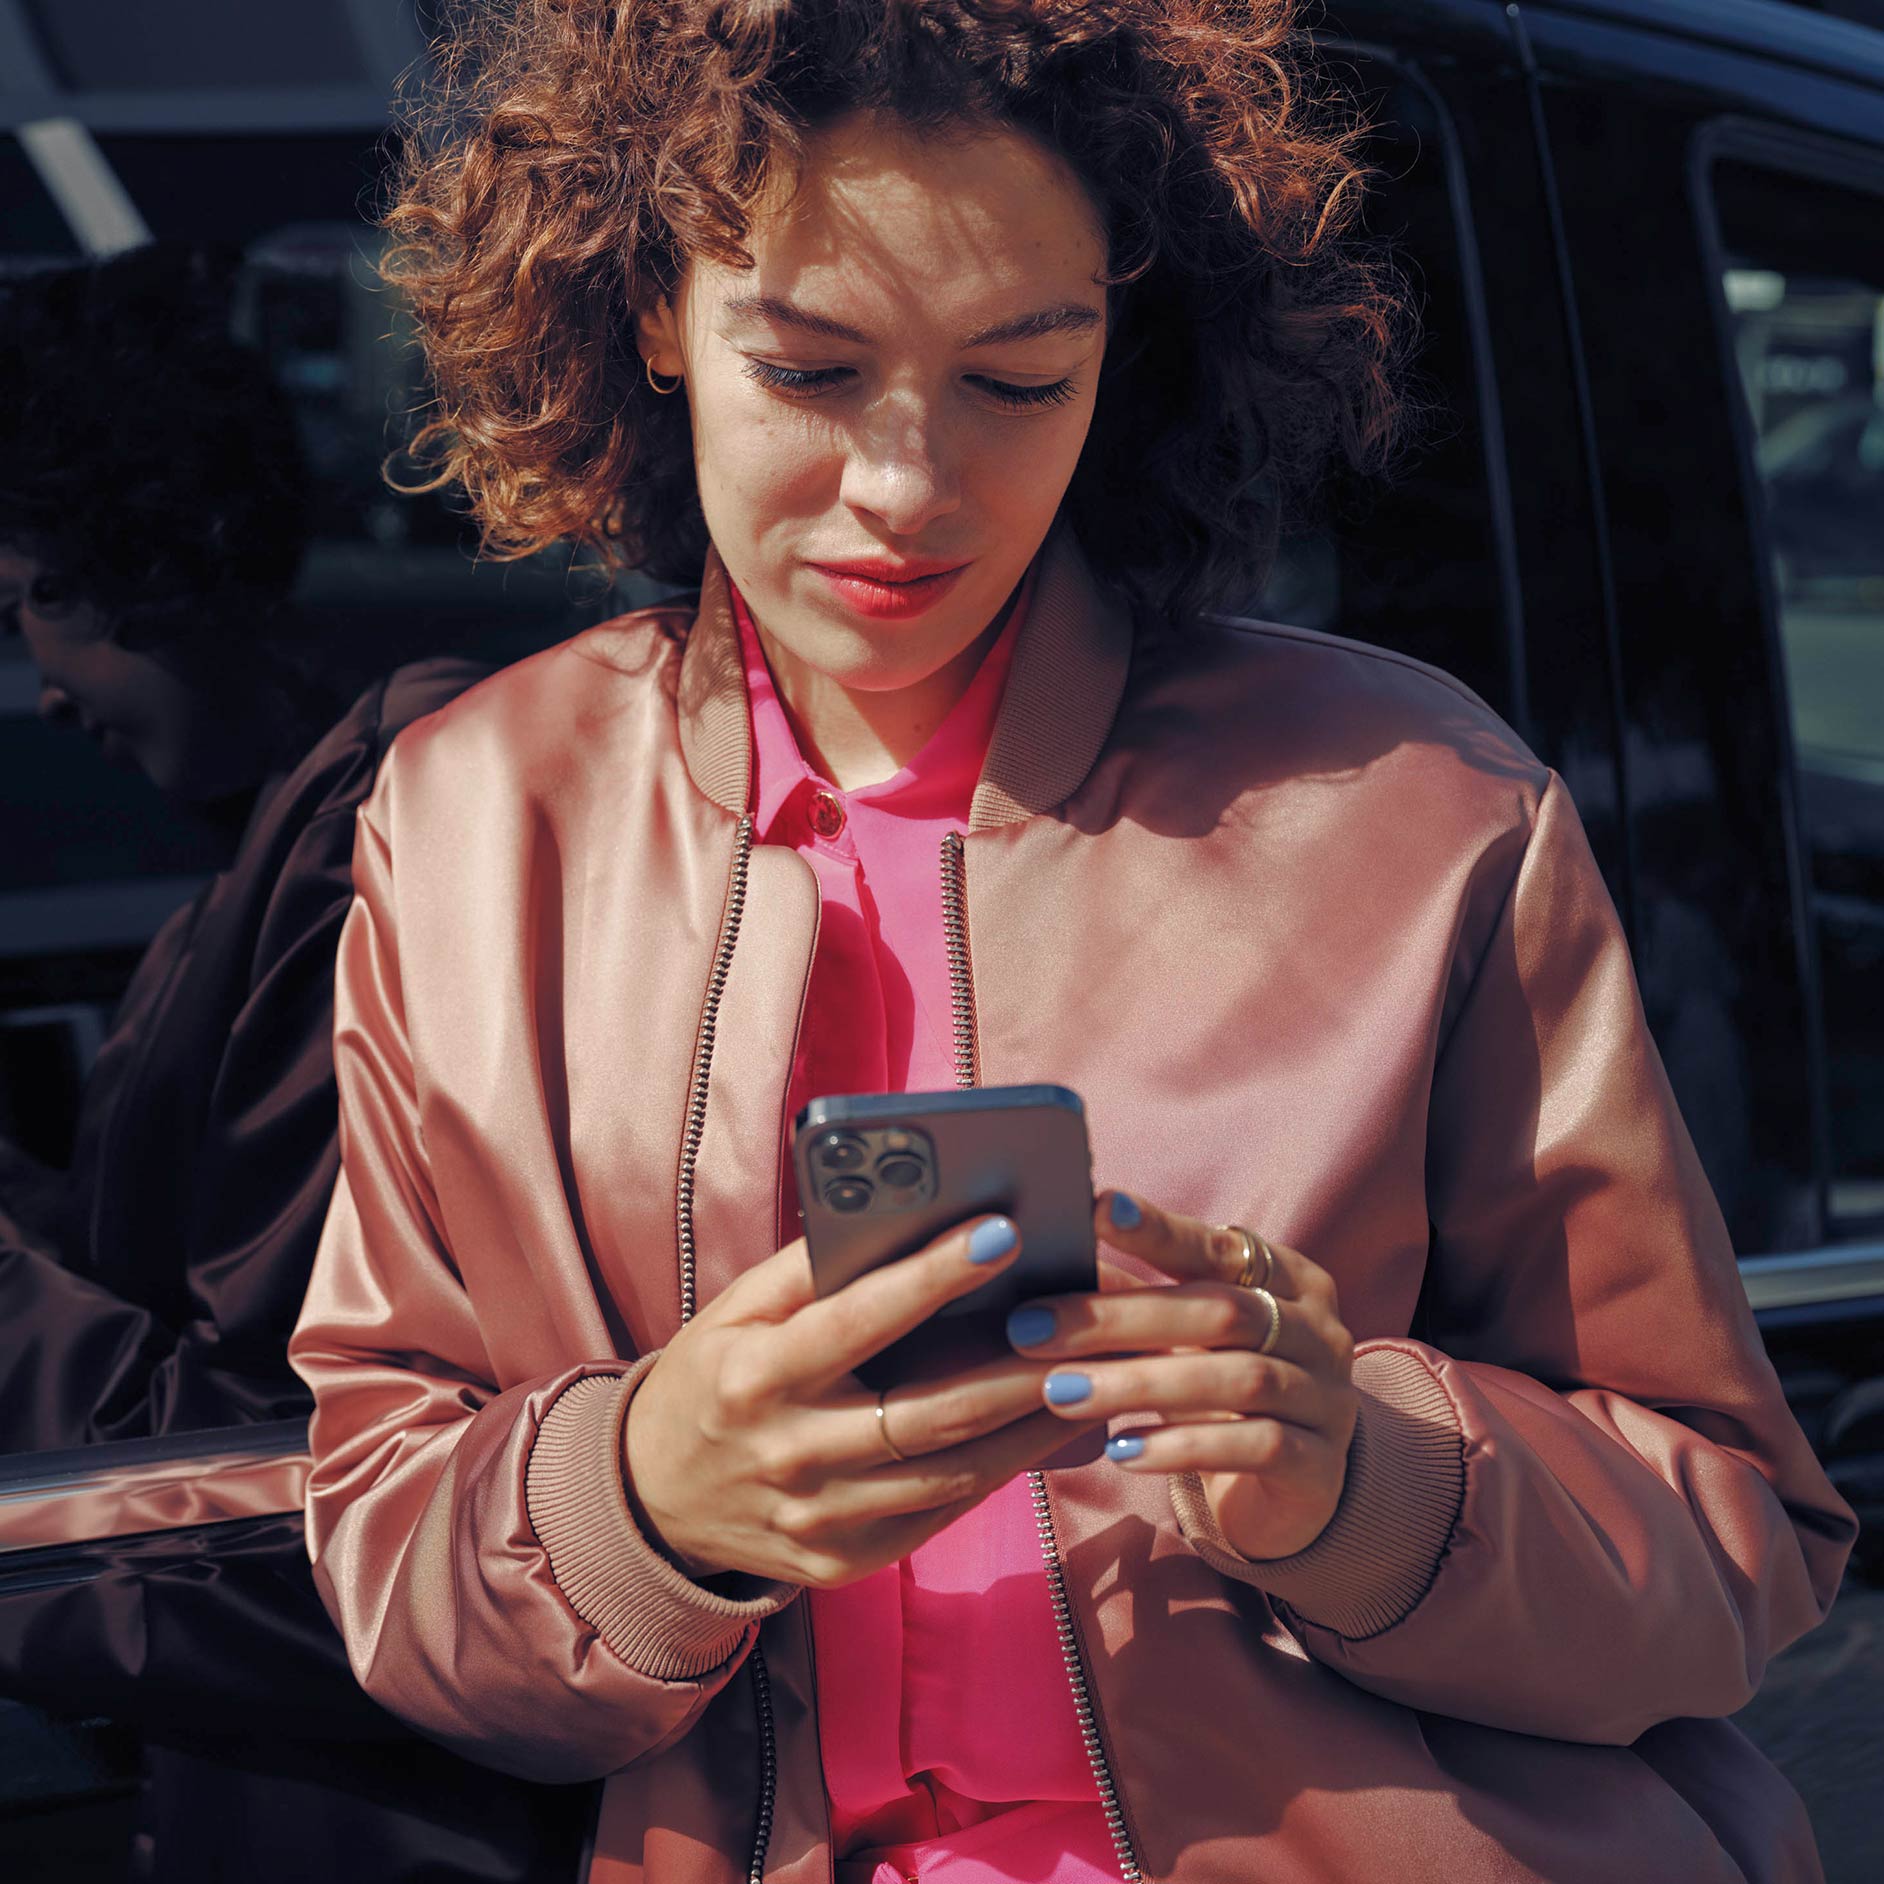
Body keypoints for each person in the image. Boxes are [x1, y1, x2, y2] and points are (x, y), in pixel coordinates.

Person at [289, 4, 1857, 1881]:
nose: (906, 483)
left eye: (1020, 381)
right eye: (808, 369)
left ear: (1127, 349)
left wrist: (1358, 1480)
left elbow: (1733, 1551)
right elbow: (384, 1535)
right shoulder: (473, 820)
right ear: (651, 316)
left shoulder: (1414, 807)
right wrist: (642, 1503)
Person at [0, 246, 585, 1883]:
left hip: (384, 1808)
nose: (44, 688)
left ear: (152, 561)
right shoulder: (294, 846)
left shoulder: (370, 845)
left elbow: (288, 1471)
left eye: (40, 602)